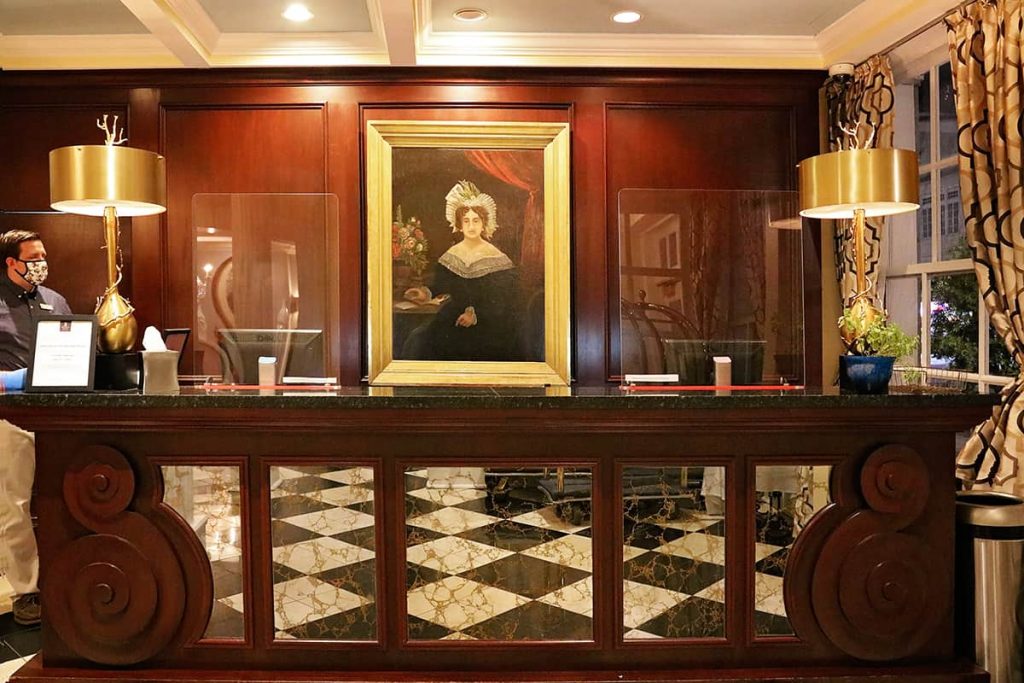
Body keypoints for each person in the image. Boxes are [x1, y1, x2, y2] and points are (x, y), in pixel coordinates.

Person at [0, 229, 70, 626]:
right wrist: (12, 380)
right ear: (12, 262)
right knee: (15, 504)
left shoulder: (56, 301)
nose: (41, 263)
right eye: (33, 257)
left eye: (44, 255)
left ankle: (65, 575)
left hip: (60, 416)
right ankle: (27, 590)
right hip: (11, 416)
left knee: (65, 496)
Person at [408, 180, 522, 361]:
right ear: (459, 224)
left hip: (488, 322)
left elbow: (503, 299)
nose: (471, 226)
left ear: (484, 223)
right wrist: (424, 292)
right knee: (419, 340)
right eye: (466, 221)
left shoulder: (496, 256)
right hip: (453, 316)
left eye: (476, 221)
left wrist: (475, 314)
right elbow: (440, 284)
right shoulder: (452, 254)